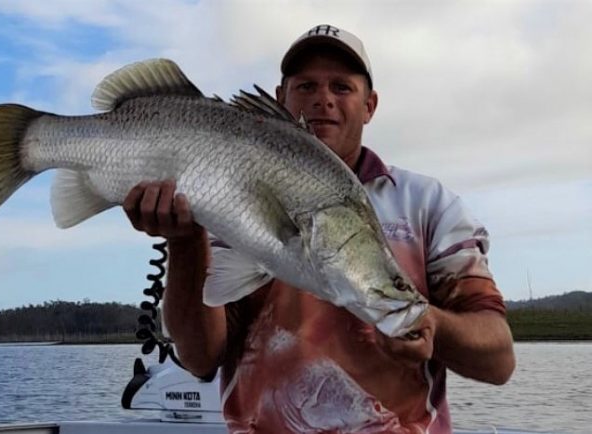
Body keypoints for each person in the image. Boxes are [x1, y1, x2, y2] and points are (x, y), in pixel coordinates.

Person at [123, 24, 515, 433]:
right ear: (280, 99)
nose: (323, 99)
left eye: (342, 87)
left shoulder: (428, 204)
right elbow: (201, 357)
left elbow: (500, 360)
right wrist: (185, 242)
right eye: (306, 86)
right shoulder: (233, 201)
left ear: (370, 105)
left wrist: (430, 325)